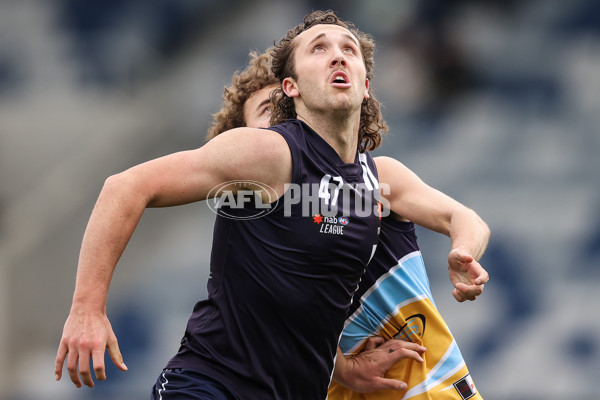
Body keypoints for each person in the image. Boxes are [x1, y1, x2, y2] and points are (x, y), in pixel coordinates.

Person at [54, 10, 427, 400]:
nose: (337, 56)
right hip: (210, 386)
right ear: (291, 90)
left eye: (347, 48)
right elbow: (124, 186)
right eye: (319, 48)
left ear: (366, 85)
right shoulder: (266, 153)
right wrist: (87, 309)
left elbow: (304, 301)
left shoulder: (360, 185)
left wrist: (343, 367)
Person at [208, 48, 490, 399]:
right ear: (239, 139)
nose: (281, 122)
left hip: (431, 389)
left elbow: (463, 217)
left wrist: (463, 251)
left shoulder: (375, 178)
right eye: (267, 112)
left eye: (286, 109)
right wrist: (341, 365)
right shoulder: (249, 241)